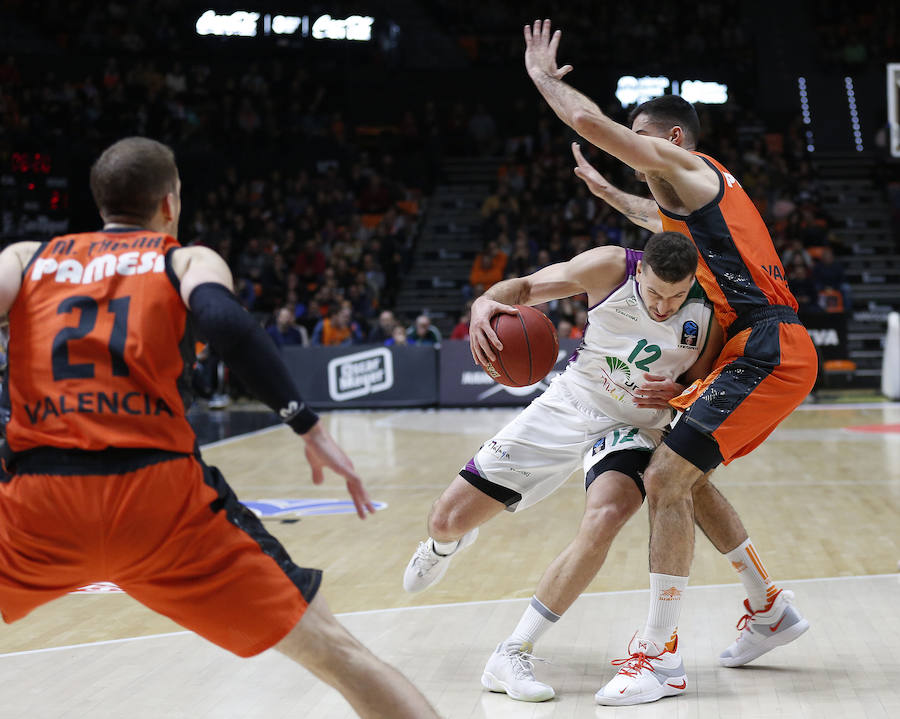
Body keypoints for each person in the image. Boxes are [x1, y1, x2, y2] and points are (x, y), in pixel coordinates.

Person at [0, 137, 439, 719]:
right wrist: (304, 424)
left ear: (99, 199)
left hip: (38, 503)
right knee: (336, 651)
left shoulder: (27, 258)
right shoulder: (182, 259)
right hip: (162, 502)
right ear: (170, 202)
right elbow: (226, 325)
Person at [523, 20, 816, 705]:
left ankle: (658, 657)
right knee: (680, 467)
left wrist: (542, 79)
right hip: (749, 347)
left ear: (674, 140)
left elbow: (595, 126)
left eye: (642, 141)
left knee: (664, 477)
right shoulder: (693, 204)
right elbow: (662, 226)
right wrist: (610, 198)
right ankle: (769, 608)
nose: (635, 158)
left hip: (766, 345)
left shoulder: (692, 166)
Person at [403, 231, 722, 702]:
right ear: (640, 272)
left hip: (634, 426)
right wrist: (483, 303)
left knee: (607, 516)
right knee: (446, 519)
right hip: (571, 402)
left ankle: (513, 651)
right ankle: (442, 544)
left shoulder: (708, 312)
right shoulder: (608, 267)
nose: (663, 306)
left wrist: (679, 397)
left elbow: (701, 385)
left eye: (675, 296)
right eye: (654, 293)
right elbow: (527, 288)